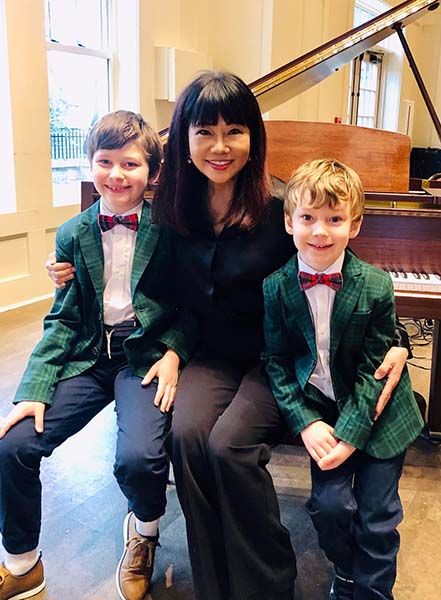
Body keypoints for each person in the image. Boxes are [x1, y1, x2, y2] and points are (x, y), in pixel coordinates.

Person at [46, 72, 412, 600]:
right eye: (204, 131)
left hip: (276, 361)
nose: (219, 147)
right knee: (186, 435)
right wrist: (63, 268)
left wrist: (397, 334)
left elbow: (347, 272)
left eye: (234, 130)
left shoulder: (282, 207)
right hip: (208, 354)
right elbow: (123, 265)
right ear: (184, 137)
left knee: (227, 448)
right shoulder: (172, 207)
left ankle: (265, 583)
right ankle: (215, 583)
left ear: (253, 137)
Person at [0, 111, 188, 600]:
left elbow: (192, 305)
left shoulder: (170, 230)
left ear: (153, 171)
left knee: (140, 460)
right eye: (105, 162)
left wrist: (174, 351)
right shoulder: (72, 233)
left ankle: (143, 536)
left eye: (130, 163)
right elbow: (62, 320)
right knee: (13, 445)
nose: (117, 175)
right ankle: (22, 566)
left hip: (142, 356)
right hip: (87, 354)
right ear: (90, 164)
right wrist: (33, 389)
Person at [262, 158, 424, 600]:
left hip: (380, 413)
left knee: (378, 516)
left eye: (334, 219)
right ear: (288, 221)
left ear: (354, 225)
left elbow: (377, 371)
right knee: (330, 507)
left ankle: (374, 593)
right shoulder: (275, 287)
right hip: (322, 413)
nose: (320, 231)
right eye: (308, 218)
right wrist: (306, 422)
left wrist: (351, 436)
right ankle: (346, 570)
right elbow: (276, 362)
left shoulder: (375, 285)